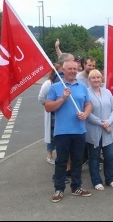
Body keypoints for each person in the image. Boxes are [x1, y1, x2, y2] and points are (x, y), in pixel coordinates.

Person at [45, 60, 92, 203]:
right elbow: (48, 107)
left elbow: (88, 104)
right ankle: (58, 189)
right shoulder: (56, 87)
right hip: (62, 132)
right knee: (61, 161)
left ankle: (76, 187)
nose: (73, 71)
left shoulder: (82, 87)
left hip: (79, 131)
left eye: (75, 69)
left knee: (78, 160)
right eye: (70, 69)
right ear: (63, 71)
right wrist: (63, 98)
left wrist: (85, 114)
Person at [86, 69, 113, 190]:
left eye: (98, 77)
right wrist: (102, 123)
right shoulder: (86, 93)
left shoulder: (107, 92)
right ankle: (96, 181)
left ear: (101, 79)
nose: (96, 80)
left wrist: (108, 122)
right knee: (94, 157)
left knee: (110, 155)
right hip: (94, 130)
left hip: (109, 129)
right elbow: (87, 113)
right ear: (89, 80)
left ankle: (109, 179)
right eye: (93, 78)